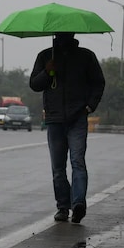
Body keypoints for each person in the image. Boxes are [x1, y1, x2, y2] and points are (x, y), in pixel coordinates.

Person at [28, 33, 106, 223]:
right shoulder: (45, 56)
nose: (63, 36)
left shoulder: (86, 56)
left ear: (72, 34)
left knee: (78, 161)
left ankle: (78, 204)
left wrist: (90, 105)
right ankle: (63, 207)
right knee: (58, 168)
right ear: (55, 35)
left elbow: (98, 82)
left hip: (77, 118)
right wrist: (47, 72)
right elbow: (34, 85)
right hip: (54, 119)